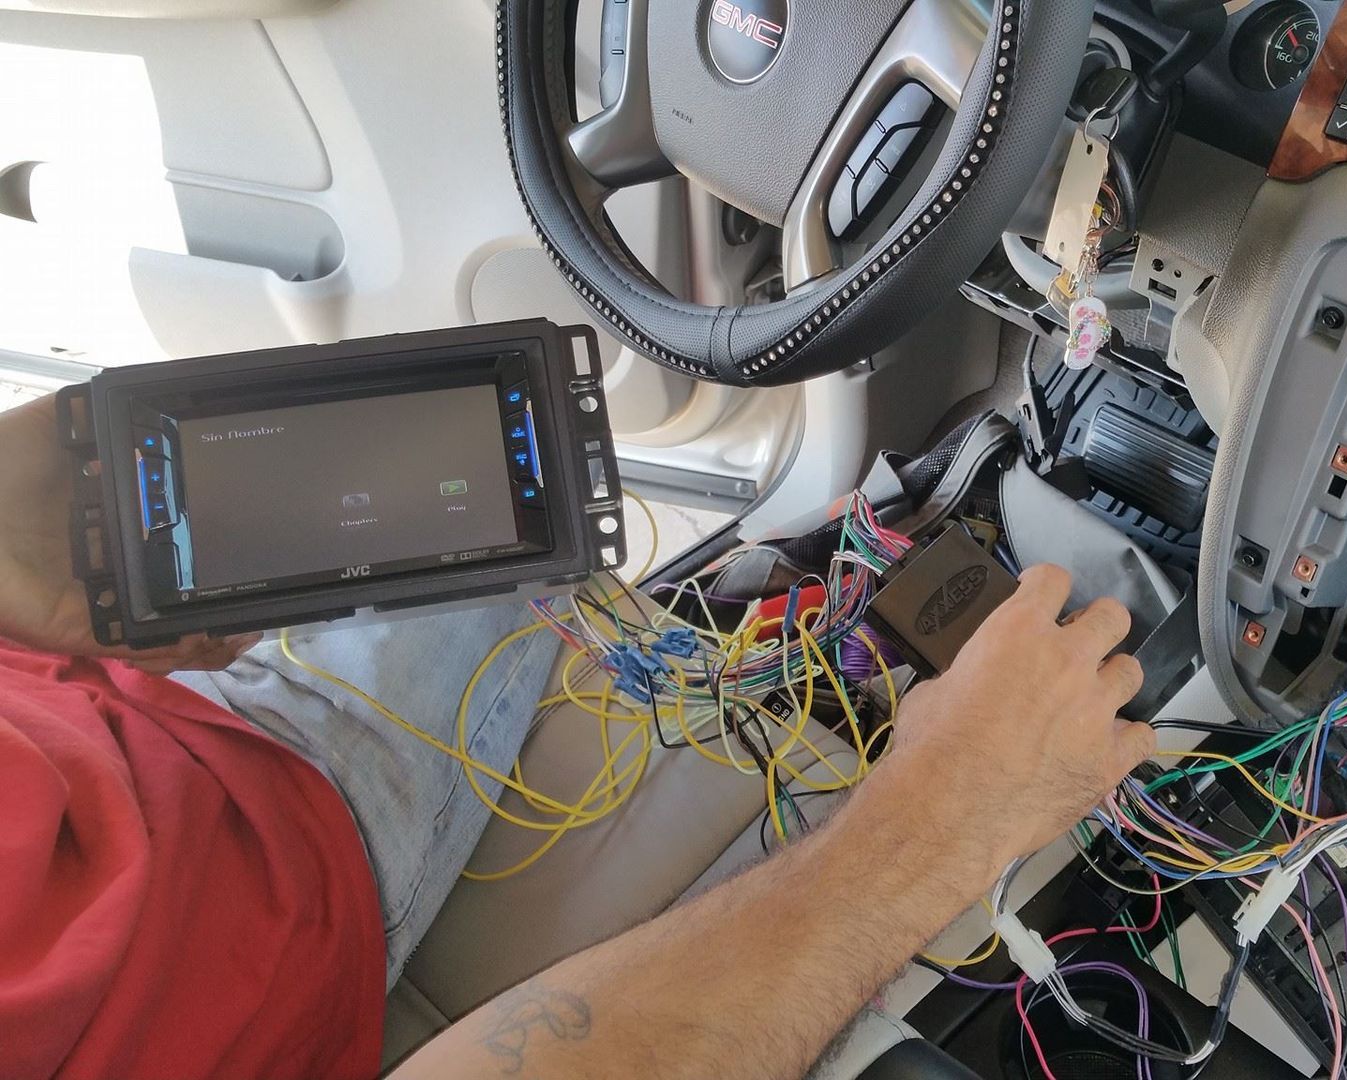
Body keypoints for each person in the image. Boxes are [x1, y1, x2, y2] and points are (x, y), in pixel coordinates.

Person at [0, 392, 1156, 1080]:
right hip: (276, 882)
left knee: (485, 461)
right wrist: (947, 811)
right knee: (503, 500)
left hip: (136, 711)